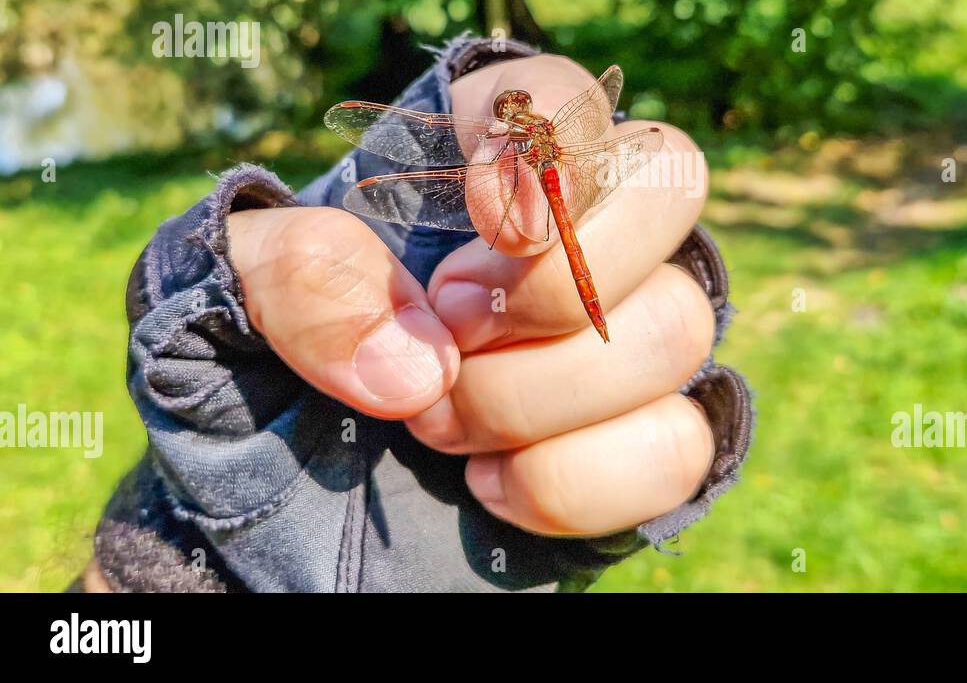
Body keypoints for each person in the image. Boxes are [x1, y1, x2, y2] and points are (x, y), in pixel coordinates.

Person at [81, 35, 753, 592]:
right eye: (510, 108)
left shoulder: (517, 143)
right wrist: (179, 562)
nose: (512, 110)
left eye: (517, 110)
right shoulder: (522, 139)